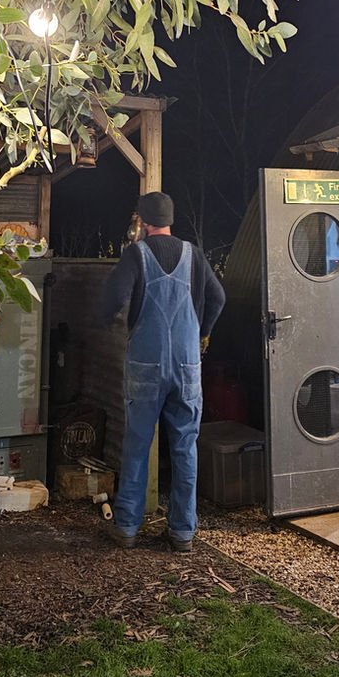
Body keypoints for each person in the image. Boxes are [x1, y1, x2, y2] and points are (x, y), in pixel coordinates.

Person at [98, 191, 225, 552]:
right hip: (187, 366)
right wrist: (200, 332)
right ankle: (182, 532)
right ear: (169, 220)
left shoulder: (136, 255)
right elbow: (218, 298)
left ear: (142, 221)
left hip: (146, 366)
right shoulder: (194, 255)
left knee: (137, 445)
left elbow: (111, 300)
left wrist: (102, 321)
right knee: (185, 447)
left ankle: (127, 527)